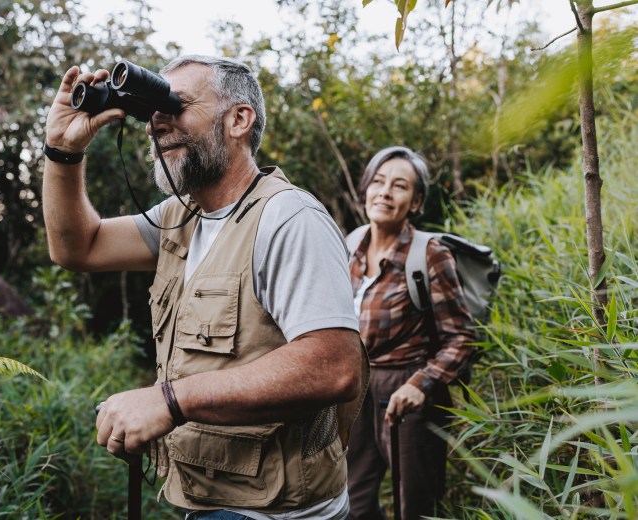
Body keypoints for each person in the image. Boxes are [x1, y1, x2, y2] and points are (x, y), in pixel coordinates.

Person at [42, 55, 368, 519]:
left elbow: (335, 366)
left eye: (175, 103)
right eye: (153, 107)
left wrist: (170, 400)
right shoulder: (180, 216)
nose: (158, 119)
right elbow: (78, 247)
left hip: (275, 512)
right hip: (209, 497)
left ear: (238, 119)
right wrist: (61, 150)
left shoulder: (288, 218)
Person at [345, 146, 475, 520]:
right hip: (355, 389)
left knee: (415, 503)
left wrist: (420, 385)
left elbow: (461, 336)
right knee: (353, 499)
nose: (385, 192)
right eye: (378, 182)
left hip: (407, 390)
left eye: (399, 186)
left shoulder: (429, 254)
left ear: (415, 201)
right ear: (366, 188)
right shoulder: (351, 244)